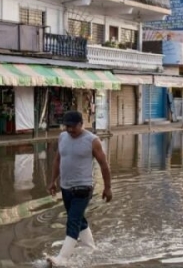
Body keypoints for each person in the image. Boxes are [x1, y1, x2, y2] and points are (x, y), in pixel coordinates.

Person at [47, 110, 112, 266]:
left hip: (83, 188)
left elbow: (104, 165)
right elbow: (57, 160)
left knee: (73, 221)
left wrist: (107, 188)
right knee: (78, 219)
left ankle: (62, 258)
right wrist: (52, 181)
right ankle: (90, 247)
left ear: (81, 124)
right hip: (66, 188)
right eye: (66, 126)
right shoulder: (62, 137)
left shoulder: (92, 140)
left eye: (72, 127)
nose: (69, 130)